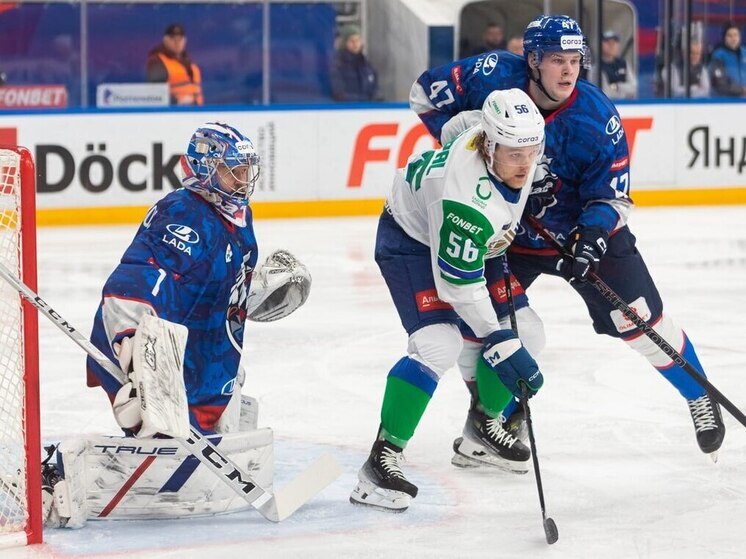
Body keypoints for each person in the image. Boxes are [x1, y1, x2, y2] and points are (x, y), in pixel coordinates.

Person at [408, 14, 725, 470]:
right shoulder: (492, 75)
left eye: (575, 60)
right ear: (533, 60)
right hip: (509, 234)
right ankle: (488, 423)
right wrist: (457, 139)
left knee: (638, 317)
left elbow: (611, 197)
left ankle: (699, 394)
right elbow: (424, 94)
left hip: (578, 233)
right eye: (557, 59)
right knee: (484, 324)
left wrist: (591, 239)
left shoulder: (596, 117)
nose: (568, 70)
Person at [349, 89, 546, 512]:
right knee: (440, 342)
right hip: (411, 241)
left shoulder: (495, 138)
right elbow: (459, 286)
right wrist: (498, 339)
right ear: (489, 147)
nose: (525, 164)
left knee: (527, 331)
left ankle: (482, 429)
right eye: (514, 154)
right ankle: (381, 460)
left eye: (532, 151)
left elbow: (459, 126)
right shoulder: (463, 200)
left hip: (474, 239)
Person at [85, 122, 310, 436]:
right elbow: (135, 281)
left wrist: (254, 292)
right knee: (164, 426)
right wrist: (138, 361)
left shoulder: (239, 218)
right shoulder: (183, 214)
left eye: (244, 171)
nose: (242, 181)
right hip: (161, 356)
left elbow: (217, 283)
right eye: (232, 171)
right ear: (204, 169)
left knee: (231, 389)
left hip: (208, 356)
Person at [146, 23, 204, 105]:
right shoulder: (158, 62)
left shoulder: (189, 61)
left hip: (198, 110)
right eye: (173, 39)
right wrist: (176, 102)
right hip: (174, 110)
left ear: (184, 41)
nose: (177, 43)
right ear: (165, 40)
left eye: (180, 39)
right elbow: (155, 93)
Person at [330, 24, 380, 102]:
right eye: (351, 40)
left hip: (368, 108)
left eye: (358, 40)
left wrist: (375, 99)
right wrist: (365, 100)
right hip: (347, 108)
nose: (355, 43)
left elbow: (376, 89)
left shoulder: (367, 65)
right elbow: (339, 94)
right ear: (344, 43)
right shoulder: (337, 65)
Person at [710, 22, 746, 97]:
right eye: (730, 35)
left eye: (736, 35)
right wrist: (741, 90)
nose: (733, 38)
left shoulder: (744, 53)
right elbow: (719, 82)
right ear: (724, 38)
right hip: (726, 100)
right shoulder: (718, 56)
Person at [599, 30, 637, 99]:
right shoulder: (597, 67)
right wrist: (624, 91)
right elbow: (605, 92)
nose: (611, 45)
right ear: (601, 45)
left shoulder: (623, 64)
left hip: (627, 104)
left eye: (614, 42)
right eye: (607, 42)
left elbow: (634, 88)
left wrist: (617, 86)